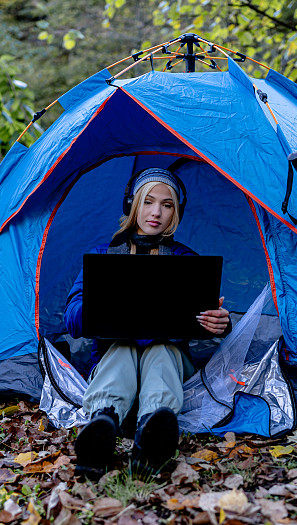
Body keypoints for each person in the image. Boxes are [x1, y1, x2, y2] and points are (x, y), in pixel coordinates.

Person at [63, 166, 231, 477]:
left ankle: (155, 430)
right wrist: (98, 308)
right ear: (133, 205)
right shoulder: (105, 256)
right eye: (148, 201)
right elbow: (71, 317)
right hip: (115, 356)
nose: (156, 212)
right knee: (123, 349)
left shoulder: (185, 261)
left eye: (167, 205)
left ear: (176, 213)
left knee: (160, 349)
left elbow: (208, 314)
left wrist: (220, 322)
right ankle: (103, 423)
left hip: (167, 359)